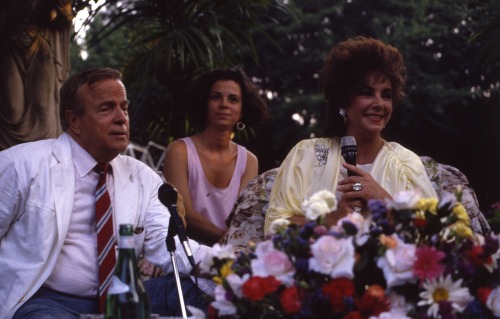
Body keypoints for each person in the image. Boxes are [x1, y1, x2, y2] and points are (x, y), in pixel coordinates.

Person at [0, 68, 213, 319]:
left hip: (124, 297)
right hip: (46, 302)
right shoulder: (22, 164)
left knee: (211, 293)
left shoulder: (142, 177)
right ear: (74, 120)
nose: (121, 118)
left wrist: (230, 264)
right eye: (106, 108)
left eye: (124, 108)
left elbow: (167, 245)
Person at [264, 36, 437, 235]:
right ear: (343, 99)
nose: (379, 103)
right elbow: (274, 228)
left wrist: (384, 201)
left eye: (386, 95)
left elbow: (435, 236)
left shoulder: (405, 163)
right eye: (366, 92)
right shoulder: (309, 154)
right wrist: (331, 219)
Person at [163, 67, 270, 246]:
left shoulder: (249, 161)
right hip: (185, 251)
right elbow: (184, 215)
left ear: (242, 110)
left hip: (229, 257)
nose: (224, 104)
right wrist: (228, 243)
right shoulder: (179, 151)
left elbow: (241, 218)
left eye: (233, 99)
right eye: (216, 97)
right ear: (205, 103)